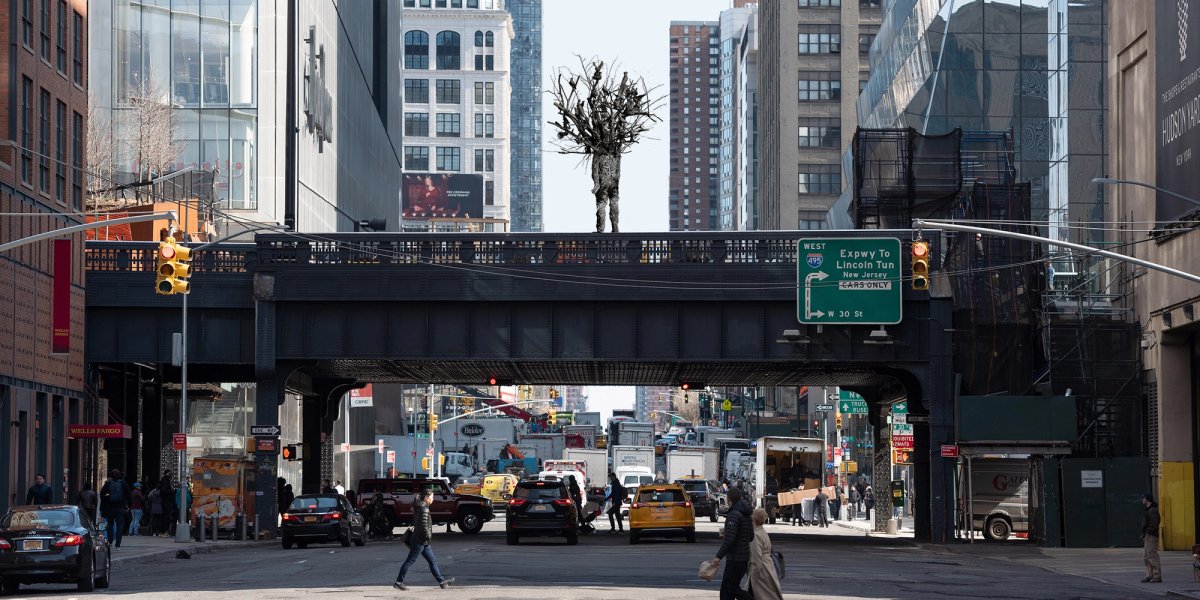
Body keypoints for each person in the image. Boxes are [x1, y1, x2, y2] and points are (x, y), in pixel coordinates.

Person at [393, 488, 454, 590]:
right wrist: (427, 537)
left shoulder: (420, 506)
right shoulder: (424, 509)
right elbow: (423, 526)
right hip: (420, 540)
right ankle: (399, 582)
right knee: (410, 561)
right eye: (432, 497)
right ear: (426, 498)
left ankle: (442, 582)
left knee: (432, 562)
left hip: (422, 540)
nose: (433, 499)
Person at [712, 487, 754, 600]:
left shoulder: (734, 514)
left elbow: (730, 540)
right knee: (731, 588)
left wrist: (718, 556)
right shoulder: (747, 514)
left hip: (735, 558)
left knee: (728, 589)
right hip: (744, 557)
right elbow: (751, 537)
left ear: (729, 499)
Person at [748, 507, 783, 600]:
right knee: (770, 593)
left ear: (754, 519)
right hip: (769, 566)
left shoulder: (756, 535)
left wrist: (753, 576)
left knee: (763, 595)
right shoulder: (763, 532)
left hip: (762, 570)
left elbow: (756, 558)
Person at [100, 469, 132, 548]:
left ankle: (110, 542)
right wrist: (128, 506)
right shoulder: (124, 484)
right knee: (119, 526)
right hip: (120, 508)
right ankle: (118, 545)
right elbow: (129, 496)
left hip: (110, 508)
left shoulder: (108, 484)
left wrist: (106, 501)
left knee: (110, 525)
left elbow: (102, 494)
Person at [1142, 493, 1162, 583]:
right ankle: (1149, 575)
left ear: (1147, 500)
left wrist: (1148, 532)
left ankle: (1157, 576)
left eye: (1143, 498)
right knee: (1146, 556)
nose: (1142, 500)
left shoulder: (1152, 511)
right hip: (1147, 536)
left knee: (1152, 555)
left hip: (1151, 536)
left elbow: (1154, 525)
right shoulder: (1148, 510)